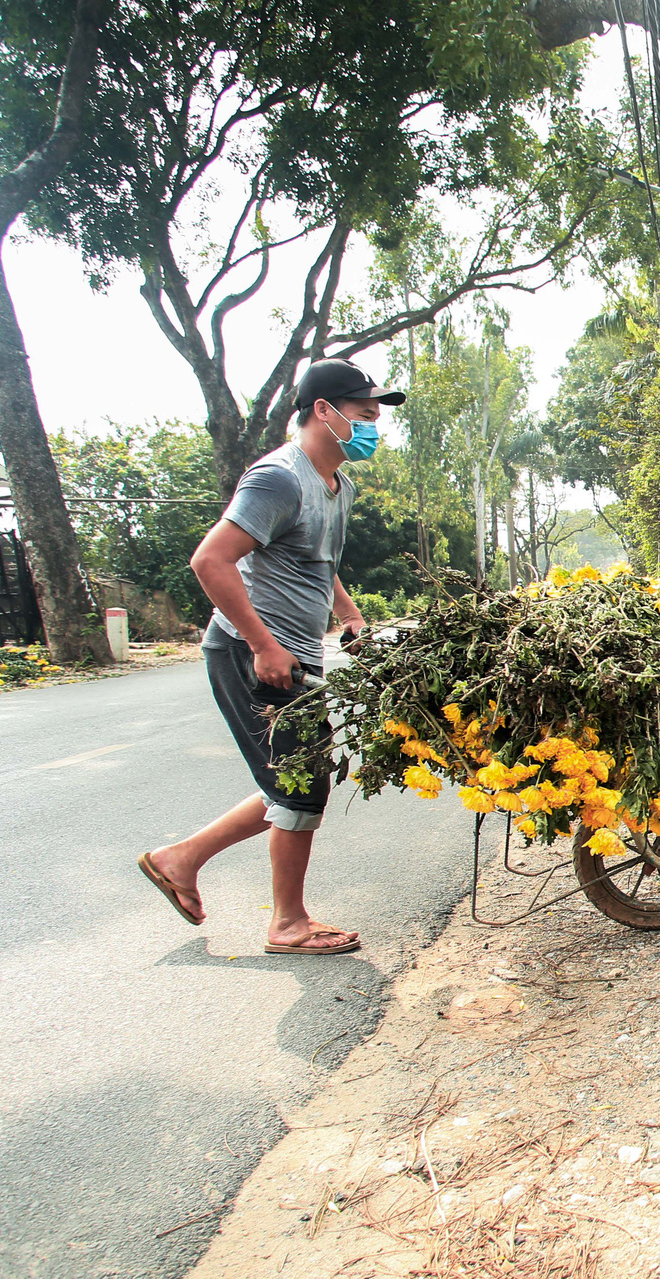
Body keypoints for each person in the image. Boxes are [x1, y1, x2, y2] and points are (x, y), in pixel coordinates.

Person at [138, 359, 404, 954]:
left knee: (298, 781)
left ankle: (180, 859)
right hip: (249, 652)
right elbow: (210, 560)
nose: (372, 428)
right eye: (363, 415)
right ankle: (286, 923)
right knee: (300, 786)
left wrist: (350, 616)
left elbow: (320, 564)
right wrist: (263, 643)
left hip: (297, 653)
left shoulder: (338, 485)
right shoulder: (278, 478)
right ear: (323, 411)